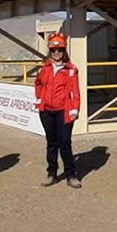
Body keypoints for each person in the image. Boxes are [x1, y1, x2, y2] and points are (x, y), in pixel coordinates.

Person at [33, 33, 82, 188]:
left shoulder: (71, 70)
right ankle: (52, 174)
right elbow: (38, 84)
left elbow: (75, 91)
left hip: (64, 111)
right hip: (46, 111)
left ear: (64, 50)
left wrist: (75, 109)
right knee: (51, 143)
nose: (56, 53)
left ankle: (71, 175)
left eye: (59, 50)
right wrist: (40, 99)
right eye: (53, 50)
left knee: (65, 143)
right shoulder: (44, 68)